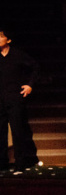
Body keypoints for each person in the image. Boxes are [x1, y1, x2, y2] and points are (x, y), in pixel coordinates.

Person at [0, 26, 39, 171]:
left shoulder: (17, 55)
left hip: (15, 98)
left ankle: (20, 163)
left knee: (18, 131)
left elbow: (35, 67)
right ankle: (2, 163)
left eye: (0, 36)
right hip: (0, 99)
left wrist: (29, 86)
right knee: (0, 132)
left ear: (8, 40)